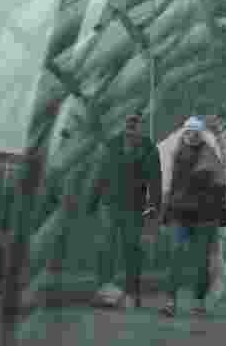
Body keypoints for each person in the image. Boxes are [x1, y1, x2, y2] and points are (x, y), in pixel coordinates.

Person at [158, 116, 226, 318]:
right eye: (188, 131)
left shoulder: (210, 157)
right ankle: (170, 301)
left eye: (195, 132)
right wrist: (165, 215)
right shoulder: (176, 154)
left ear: (201, 135)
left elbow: (220, 189)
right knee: (175, 256)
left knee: (201, 261)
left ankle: (198, 302)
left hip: (205, 216)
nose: (192, 135)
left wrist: (223, 218)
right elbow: (172, 187)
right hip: (180, 214)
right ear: (184, 132)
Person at [90, 113, 162, 309]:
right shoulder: (112, 145)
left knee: (131, 249)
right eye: (128, 122)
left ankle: (132, 293)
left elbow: (155, 181)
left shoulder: (148, 149)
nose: (130, 126)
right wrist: (92, 199)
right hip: (109, 204)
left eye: (135, 123)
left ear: (141, 126)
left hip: (133, 207)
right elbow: (101, 173)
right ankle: (105, 292)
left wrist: (154, 207)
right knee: (106, 249)